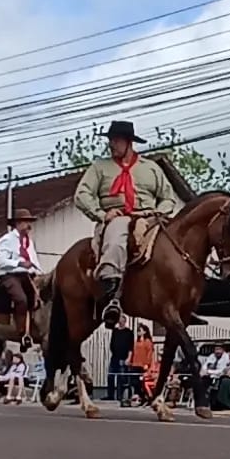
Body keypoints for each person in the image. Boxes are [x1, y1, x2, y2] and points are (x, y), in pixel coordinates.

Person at [73, 120, 179, 326]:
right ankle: (110, 295)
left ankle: (180, 296)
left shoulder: (151, 168)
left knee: (175, 242)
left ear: (129, 143)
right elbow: (82, 195)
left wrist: (159, 212)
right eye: (110, 140)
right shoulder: (99, 167)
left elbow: (168, 198)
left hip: (149, 217)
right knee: (116, 240)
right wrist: (102, 214)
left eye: (116, 140)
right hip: (118, 217)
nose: (111, 144)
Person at [0, 208, 41, 317]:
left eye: (30, 222)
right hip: (11, 276)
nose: (29, 225)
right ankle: (20, 326)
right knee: (21, 299)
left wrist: (39, 274)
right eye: (26, 222)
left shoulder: (29, 242)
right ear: (18, 223)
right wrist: (19, 263)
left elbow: (34, 261)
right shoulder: (7, 239)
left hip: (28, 276)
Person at [126, 323, 155, 407]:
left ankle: (144, 397)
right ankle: (138, 397)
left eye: (140, 330)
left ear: (145, 332)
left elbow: (149, 353)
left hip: (142, 365)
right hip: (135, 364)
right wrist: (130, 361)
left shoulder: (148, 342)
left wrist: (147, 364)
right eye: (138, 330)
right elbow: (133, 351)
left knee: (141, 382)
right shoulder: (136, 341)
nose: (138, 332)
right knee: (135, 382)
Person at [108, 314, 135, 402]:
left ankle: (120, 395)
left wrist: (129, 358)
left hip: (123, 357)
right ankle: (110, 395)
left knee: (121, 377)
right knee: (110, 376)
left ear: (125, 321)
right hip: (114, 357)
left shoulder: (129, 332)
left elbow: (131, 346)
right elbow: (112, 343)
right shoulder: (115, 331)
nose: (120, 322)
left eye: (122, 320)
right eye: (119, 320)